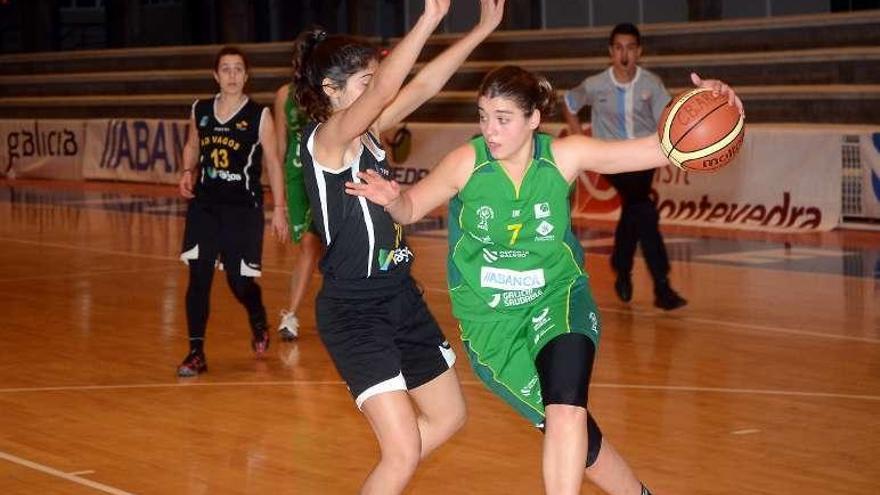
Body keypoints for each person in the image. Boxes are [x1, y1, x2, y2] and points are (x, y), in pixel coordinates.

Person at [346, 65, 742, 494]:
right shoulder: (466, 164)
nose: (490, 130)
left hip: (557, 296)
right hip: (492, 326)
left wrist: (717, 104)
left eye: (503, 119)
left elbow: (662, 148)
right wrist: (393, 200)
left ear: (534, 119)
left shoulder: (564, 156)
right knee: (573, 430)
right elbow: (411, 207)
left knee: (566, 410)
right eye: (483, 116)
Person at [292, 1, 505, 493]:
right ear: (331, 90)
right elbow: (391, 86)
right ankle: (391, 470)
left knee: (449, 417)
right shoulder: (327, 140)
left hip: (400, 297)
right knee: (402, 449)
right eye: (366, 80)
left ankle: (384, 478)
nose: (378, 87)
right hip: (355, 312)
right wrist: (429, 18)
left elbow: (425, 85)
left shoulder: (369, 134)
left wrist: (480, 29)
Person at [177, 46, 289, 377]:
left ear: (246, 75)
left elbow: (272, 163)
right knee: (198, 278)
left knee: (239, 283)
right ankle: (196, 352)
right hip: (206, 207)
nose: (231, 75)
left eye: (238, 69)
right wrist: (187, 170)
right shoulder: (200, 110)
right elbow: (192, 145)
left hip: (243, 209)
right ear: (215, 75)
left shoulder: (259, 116)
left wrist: (279, 208)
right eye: (225, 69)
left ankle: (257, 317)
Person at [562, 23, 687, 310]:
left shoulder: (651, 84)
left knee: (637, 209)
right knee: (642, 207)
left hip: (643, 157)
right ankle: (661, 286)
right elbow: (569, 102)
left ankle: (622, 266)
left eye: (630, 47)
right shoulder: (595, 84)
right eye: (618, 48)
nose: (624, 54)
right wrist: (578, 136)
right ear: (611, 51)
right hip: (610, 157)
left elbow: (666, 121)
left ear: (639, 51)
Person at [273, 77, 322, 341]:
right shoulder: (284, 93)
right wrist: (279, 198)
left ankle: (346, 311)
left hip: (327, 170)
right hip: (297, 173)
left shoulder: (330, 85)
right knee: (308, 243)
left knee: (332, 248)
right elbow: (281, 145)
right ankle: (290, 314)